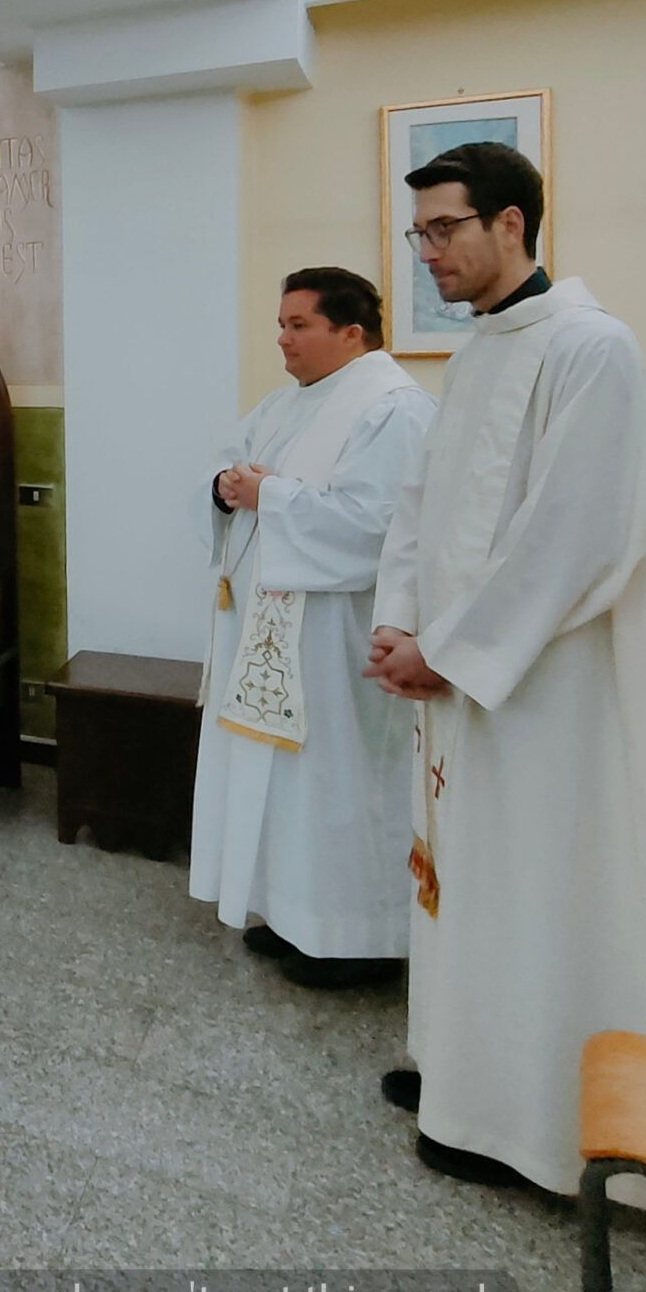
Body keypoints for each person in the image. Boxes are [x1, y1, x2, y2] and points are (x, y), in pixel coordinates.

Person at [366, 142, 646, 1198]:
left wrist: (445, 653)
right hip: (456, 686)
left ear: (512, 224)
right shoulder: (478, 352)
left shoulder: (593, 350)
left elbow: (577, 538)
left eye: (443, 229)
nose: (428, 254)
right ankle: (459, 1073)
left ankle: (529, 1117)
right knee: (465, 883)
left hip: (545, 697)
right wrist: (395, 624)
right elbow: (420, 508)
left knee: (537, 890)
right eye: (419, 235)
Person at [192, 269, 435, 989]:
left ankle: (360, 941)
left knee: (339, 784)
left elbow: (376, 527)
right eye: (281, 322)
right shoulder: (283, 405)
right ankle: (294, 917)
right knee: (284, 786)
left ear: (350, 332)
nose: (282, 337)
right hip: (271, 636)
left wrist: (271, 495)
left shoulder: (393, 410)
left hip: (336, 640)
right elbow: (230, 463)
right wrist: (224, 488)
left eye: (299, 324)